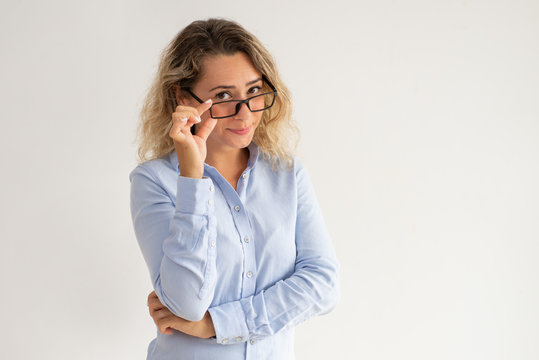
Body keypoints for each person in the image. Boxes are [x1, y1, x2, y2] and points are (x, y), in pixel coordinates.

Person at [129, 18, 340, 360]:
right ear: (183, 97)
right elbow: (186, 302)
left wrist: (218, 323)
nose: (245, 114)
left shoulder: (287, 175)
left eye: (254, 91)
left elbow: (323, 285)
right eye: (224, 96)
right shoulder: (155, 182)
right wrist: (192, 179)